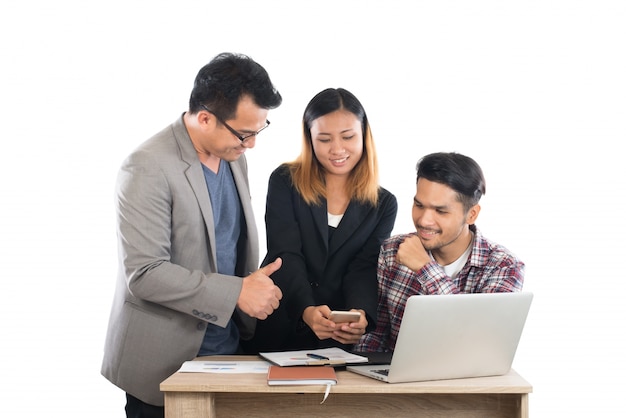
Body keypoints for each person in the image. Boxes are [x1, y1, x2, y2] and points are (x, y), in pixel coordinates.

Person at [101, 52, 284, 417]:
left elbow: (228, 245)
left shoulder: (234, 156)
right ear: (205, 118)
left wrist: (252, 286)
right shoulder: (147, 166)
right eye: (245, 134)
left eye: (258, 131)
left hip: (229, 354)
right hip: (162, 365)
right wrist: (238, 292)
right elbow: (145, 273)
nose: (251, 145)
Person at [241, 88, 398, 353]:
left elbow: (364, 267)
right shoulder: (285, 181)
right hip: (282, 319)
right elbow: (285, 252)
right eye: (324, 139)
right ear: (309, 138)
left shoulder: (383, 204)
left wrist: (360, 314)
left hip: (337, 333)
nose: (337, 149)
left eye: (348, 137)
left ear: (364, 135)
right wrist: (306, 310)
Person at [355, 152, 525, 352]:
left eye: (441, 211)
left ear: (472, 214)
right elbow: (377, 336)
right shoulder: (393, 251)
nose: (424, 220)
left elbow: (479, 342)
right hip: (398, 380)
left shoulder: (504, 267)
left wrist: (425, 268)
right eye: (419, 205)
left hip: (467, 381)